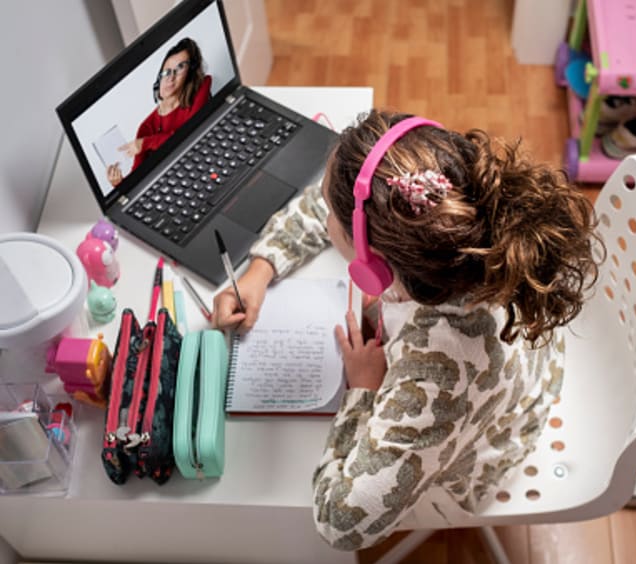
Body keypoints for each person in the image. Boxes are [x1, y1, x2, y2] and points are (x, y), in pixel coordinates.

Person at [213, 110, 601, 550]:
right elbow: (331, 201)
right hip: (519, 371)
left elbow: (339, 522)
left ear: (377, 266)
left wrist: (364, 389)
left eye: (333, 222)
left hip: (487, 448)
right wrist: (260, 270)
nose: (325, 222)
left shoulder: (436, 379)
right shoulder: (469, 223)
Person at [107, 37, 212, 186]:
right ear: (158, 81)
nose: (171, 77)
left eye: (180, 67)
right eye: (166, 72)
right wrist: (119, 183)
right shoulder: (146, 127)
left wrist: (148, 143)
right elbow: (136, 181)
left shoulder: (201, 89)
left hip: (203, 167)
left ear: (191, 71)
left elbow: (191, 138)